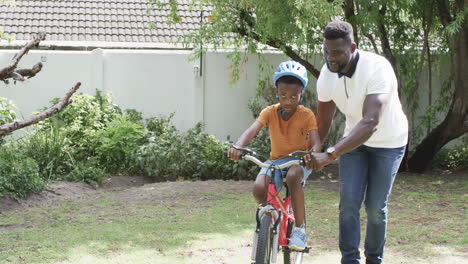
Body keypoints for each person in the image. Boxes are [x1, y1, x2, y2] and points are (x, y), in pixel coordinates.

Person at [308, 21, 408, 264]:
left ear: (353, 47)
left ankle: (374, 259)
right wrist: (315, 147)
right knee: (348, 204)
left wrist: (330, 154)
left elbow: (371, 121)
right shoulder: (327, 74)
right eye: (327, 51)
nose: (331, 57)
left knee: (375, 208)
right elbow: (324, 116)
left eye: (337, 52)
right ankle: (350, 260)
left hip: (389, 142)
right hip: (354, 143)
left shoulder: (378, 68)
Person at [227, 60, 321, 251]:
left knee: (294, 176)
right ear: (277, 92)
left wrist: (313, 154)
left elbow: (316, 141)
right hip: (275, 160)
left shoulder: (306, 115)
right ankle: (269, 220)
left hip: (299, 160)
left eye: (294, 96)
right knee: (259, 188)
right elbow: (252, 130)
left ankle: (300, 230)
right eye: (283, 95)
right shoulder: (269, 112)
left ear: (301, 94)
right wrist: (238, 146)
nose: (288, 101)